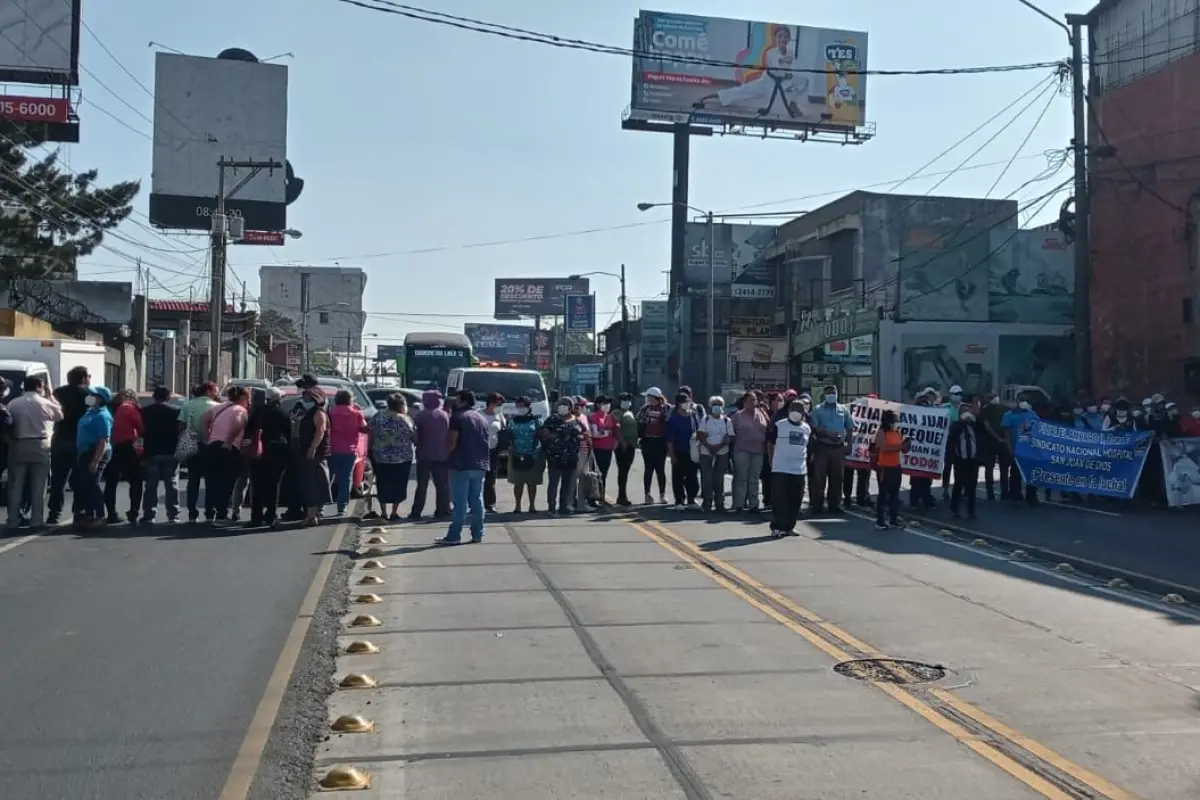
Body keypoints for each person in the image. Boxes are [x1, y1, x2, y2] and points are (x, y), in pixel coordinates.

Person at [6, 375, 62, 529]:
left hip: (19, 443)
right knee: (39, 486)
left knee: (16, 485)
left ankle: (13, 519)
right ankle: (36, 520)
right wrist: (50, 395)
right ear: (40, 386)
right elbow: (59, 415)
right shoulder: (44, 403)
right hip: (40, 444)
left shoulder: (14, 403)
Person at [437, 390, 491, 545]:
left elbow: (452, 441)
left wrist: (445, 455)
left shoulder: (458, 417)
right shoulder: (481, 417)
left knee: (460, 502)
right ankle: (477, 534)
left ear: (462, 400)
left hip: (460, 464)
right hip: (479, 464)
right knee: (476, 500)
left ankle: (454, 535)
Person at [48, 365, 90, 525]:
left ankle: (54, 513)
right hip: (79, 441)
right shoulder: (87, 394)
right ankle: (78, 512)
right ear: (83, 377)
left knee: (58, 480)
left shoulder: (58, 393)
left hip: (59, 439)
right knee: (79, 479)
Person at [203, 386, 251, 523]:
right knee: (226, 482)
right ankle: (221, 513)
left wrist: (208, 436)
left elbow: (204, 419)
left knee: (212, 481)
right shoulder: (240, 410)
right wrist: (229, 441)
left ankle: (209, 513)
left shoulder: (220, 407)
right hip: (229, 448)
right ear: (242, 398)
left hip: (213, 445)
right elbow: (238, 423)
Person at [246, 387, 291, 527]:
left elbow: (248, 431)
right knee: (274, 485)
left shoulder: (257, 412)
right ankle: (271, 516)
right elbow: (288, 434)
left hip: (257, 452)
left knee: (256, 485)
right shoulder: (282, 413)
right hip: (277, 452)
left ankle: (256, 517)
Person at [767, 398, 811, 537]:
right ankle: (777, 527)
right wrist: (770, 459)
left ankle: (789, 526)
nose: (797, 413)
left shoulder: (806, 428)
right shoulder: (779, 425)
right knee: (780, 500)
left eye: (800, 410)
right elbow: (770, 442)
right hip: (781, 467)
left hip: (799, 469)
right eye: (794, 410)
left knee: (795, 500)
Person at [368, 393, 416, 521]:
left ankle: (383, 512)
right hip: (402, 458)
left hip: (381, 456)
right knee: (399, 484)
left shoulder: (378, 416)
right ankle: (394, 512)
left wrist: (371, 448)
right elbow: (414, 436)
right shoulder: (405, 419)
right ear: (401, 405)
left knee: (382, 483)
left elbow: (369, 430)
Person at [807, 384, 854, 515]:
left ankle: (835, 504)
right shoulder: (817, 410)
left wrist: (849, 445)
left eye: (833, 393)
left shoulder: (843, 410)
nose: (831, 395)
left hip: (838, 448)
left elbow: (850, 428)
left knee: (837, 477)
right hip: (822, 447)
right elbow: (814, 428)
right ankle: (817, 504)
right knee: (819, 478)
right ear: (824, 395)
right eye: (829, 393)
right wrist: (827, 433)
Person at [139, 386, 181, 524]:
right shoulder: (175, 411)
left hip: (151, 451)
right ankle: (173, 514)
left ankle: (149, 514)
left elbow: (141, 432)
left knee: (151, 485)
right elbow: (180, 431)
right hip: (170, 451)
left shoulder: (145, 412)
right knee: (172, 484)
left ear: (154, 397)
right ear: (168, 397)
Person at [178, 382, 219, 522]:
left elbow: (181, 425)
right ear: (209, 391)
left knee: (193, 480)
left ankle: (192, 513)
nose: (217, 392)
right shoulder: (215, 406)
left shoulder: (188, 405)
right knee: (211, 481)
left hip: (192, 445)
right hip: (210, 446)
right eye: (215, 390)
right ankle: (209, 513)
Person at [74, 385, 114, 528]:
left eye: (93, 395)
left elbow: (103, 441)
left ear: (101, 399)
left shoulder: (103, 416)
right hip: (85, 452)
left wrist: (95, 460)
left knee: (93, 484)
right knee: (85, 484)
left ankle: (100, 516)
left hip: (96, 452)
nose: (90, 397)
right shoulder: (90, 412)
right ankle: (89, 515)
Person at [103, 388, 144, 523]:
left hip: (109, 446)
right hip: (126, 447)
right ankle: (134, 511)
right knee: (135, 481)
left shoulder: (108, 409)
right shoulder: (128, 408)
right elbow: (141, 428)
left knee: (111, 482)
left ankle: (111, 513)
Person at [293, 384, 332, 526]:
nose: (305, 399)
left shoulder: (318, 412)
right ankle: (312, 515)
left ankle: (311, 516)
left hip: (313, 454)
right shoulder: (309, 412)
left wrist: (312, 448)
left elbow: (320, 431)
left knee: (312, 484)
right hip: (306, 451)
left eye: (308, 397)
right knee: (308, 484)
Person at [411, 390, 451, 520]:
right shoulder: (445, 416)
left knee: (422, 485)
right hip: (442, 455)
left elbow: (415, 436)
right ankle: (442, 510)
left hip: (423, 455)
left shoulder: (420, 416)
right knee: (442, 485)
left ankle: (416, 511)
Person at [540, 397, 584, 515]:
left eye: (565, 404)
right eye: (561, 404)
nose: (562, 406)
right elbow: (543, 434)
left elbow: (584, 434)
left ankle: (564, 506)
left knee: (568, 484)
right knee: (553, 482)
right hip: (555, 457)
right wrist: (550, 436)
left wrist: (580, 437)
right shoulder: (552, 420)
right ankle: (551, 507)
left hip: (571, 457)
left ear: (570, 407)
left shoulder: (576, 420)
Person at [328, 389, 368, 516]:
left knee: (327, 477)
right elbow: (364, 428)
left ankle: (321, 505)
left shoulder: (330, 412)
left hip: (332, 449)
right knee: (346, 478)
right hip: (350, 450)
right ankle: (342, 506)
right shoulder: (356, 414)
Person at [731, 390, 769, 513]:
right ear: (744, 402)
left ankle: (754, 504)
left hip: (758, 450)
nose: (753, 402)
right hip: (742, 450)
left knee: (754, 478)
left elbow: (768, 427)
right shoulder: (738, 415)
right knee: (741, 477)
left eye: (754, 400)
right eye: (750, 400)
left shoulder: (761, 413)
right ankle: (739, 504)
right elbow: (731, 432)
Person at [999, 395, 1040, 506]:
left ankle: (1031, 495)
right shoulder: (1008, 415)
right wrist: (1010, 449)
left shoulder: (1031, 414)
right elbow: (1006, 434)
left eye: (1024, 400)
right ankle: (1015, 494)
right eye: (1020, 400)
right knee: (1016, 472)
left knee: (1031, 473)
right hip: (1016, 448)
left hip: (1030, 449)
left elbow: (1039, 428)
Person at [697, 395, 734, 513]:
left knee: (719, 478)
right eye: (714, 405)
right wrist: (710, 447)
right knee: (707, 478)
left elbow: (730, 436)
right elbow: (700, 436)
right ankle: (707, 502)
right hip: (706, 452)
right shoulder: (705, 420)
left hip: (722, 453)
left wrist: (719, 447)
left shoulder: (726, 421)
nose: (716, 407)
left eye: (719, 405)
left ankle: (719, 503)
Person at [507, 395, 543, 513]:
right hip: (516, 454)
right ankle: (517, 506)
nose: (520, 409)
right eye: (518, 406)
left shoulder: (537, 421)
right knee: (518, 482)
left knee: (532, 482)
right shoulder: (512, 421)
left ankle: (532, 505)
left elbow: (541, 436)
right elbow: (508, 436)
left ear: (528, 407)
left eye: (522, 406)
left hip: (533, 455)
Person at [665, 391, 701, 510]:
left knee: (693, 476)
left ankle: (691, 500)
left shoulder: (693, 415)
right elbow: (670, 439)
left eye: (688, 401)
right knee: (678, 477)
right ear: (679, 404)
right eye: (684, 402)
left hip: (693, 451)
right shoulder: (673, 419)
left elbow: (699, 431)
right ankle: (679, 501)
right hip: (679, 451)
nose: (687, 404)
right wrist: (672, 455)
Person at [872, 408, 906, 530]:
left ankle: (893, 519)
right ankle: (880, 520)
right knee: (883, 494)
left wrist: (906, 445)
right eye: (895, 419)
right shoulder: (881, 432)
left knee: (894, 494)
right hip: (884, 467)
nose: (897, 421)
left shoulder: (897, 432)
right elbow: (884, 447)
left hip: (896, 466)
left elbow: (902, 448)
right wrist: (900, 446)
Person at [948, 404, 983, 520]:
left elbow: (982, 426)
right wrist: (962, 422)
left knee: (972, 487)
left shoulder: (974, 426)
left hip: (972, 460)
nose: (968, 414)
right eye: (965, 411)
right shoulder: (956, 426)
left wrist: (975, 417)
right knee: (958, 486)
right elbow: (952, 434)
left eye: (969, 411)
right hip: (960, 460)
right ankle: (954, 510)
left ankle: (971, 512)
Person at [636, 387, 670, 504]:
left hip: (660, 442)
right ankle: (647, 494)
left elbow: (668, 423)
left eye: (649, 397)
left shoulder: (666, 408)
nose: (647, 399)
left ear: (655, 397)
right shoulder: (645, 408)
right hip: (647, 442)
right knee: (648, 469)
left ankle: (662, 494)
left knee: (660, 469)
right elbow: (639, 421)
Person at [908, 389, 939, 510]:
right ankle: (916, 501)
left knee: (925, 477)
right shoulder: (914, 410)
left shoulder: (934, 411)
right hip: (917, 448)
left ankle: (922, 500)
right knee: (917, 477)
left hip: (927, 449)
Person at [587, 395, 617, 503]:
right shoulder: (593, 417)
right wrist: (606, 433)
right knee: (596, 474)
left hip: (608, 449)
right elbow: (595, 433)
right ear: (598, 404)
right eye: (604, 403)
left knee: (604, 473)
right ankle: (593, 496)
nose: (607, 406)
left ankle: (601, 496)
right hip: (597, 449)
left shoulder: (609, 417)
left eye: (608, 403)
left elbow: (614, 431)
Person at [480, 393, 507, 512]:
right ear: (491, 403)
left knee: (491, 479)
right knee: (478, 478)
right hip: (479, 450)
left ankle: (490, 503)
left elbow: (503, 430)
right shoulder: (479, 414)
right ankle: (476, 503)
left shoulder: (499, 415)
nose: (500, 406)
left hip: (493, 450)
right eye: (498, 404)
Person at [979, 393, 1008, 500]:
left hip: (998, 442)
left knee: (1002, 469)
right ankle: (993, 493)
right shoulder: (986, 409)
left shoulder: (1003, 409)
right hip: (991, 443)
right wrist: (1000, 438)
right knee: (991, 468)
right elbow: (986, 425)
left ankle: (1002, 492)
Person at [613, 392, 638, 507]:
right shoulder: (616, 413)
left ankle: (623, 496)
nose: (626, 402)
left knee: (625, 472)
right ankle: (621, 496)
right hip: (622, 446)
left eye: (628, 400)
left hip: (631, 445)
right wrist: (622, 442)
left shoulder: (630, 413)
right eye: (624, 400)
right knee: (622, 471)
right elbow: (616, 428)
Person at [940, 384, 964, 501]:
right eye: (955, 394)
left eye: (959, 394)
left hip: (962, 440)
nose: (957, 397)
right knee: (948, 466)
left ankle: (960, 489)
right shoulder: (944, 408)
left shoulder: (965, 408)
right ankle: (945, 489)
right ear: (950, 395)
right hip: (948, 439)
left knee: (960, 466)